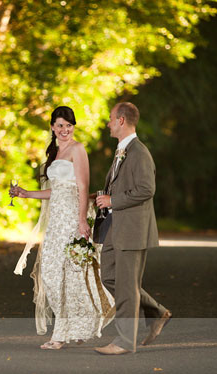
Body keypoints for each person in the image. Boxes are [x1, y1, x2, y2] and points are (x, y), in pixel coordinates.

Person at [11, 106, 114, 350]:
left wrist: (81, 221)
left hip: (72, 217)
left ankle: (60, 334)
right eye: (60, 125)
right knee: (51, 273)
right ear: (52, 127)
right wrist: (26, 194)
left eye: (69, 126)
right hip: (55, 219)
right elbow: (56, 191)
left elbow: (81, 186)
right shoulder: (55, 152)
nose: (65, 130)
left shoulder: (78, 150)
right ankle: (77, 326)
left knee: (71, 274)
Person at [94, 102, 172, 355]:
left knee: (127, 285)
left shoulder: (139, 152)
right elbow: (120, 186)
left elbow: (146, 189)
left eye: (110, 119)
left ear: (121, 120)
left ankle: (125, 342)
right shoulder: (121, 151)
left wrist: (113, 201)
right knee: (109, 276)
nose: (107, 123)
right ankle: (157, 312)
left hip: (132, 229)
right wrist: (101, 197)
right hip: (115, 226)